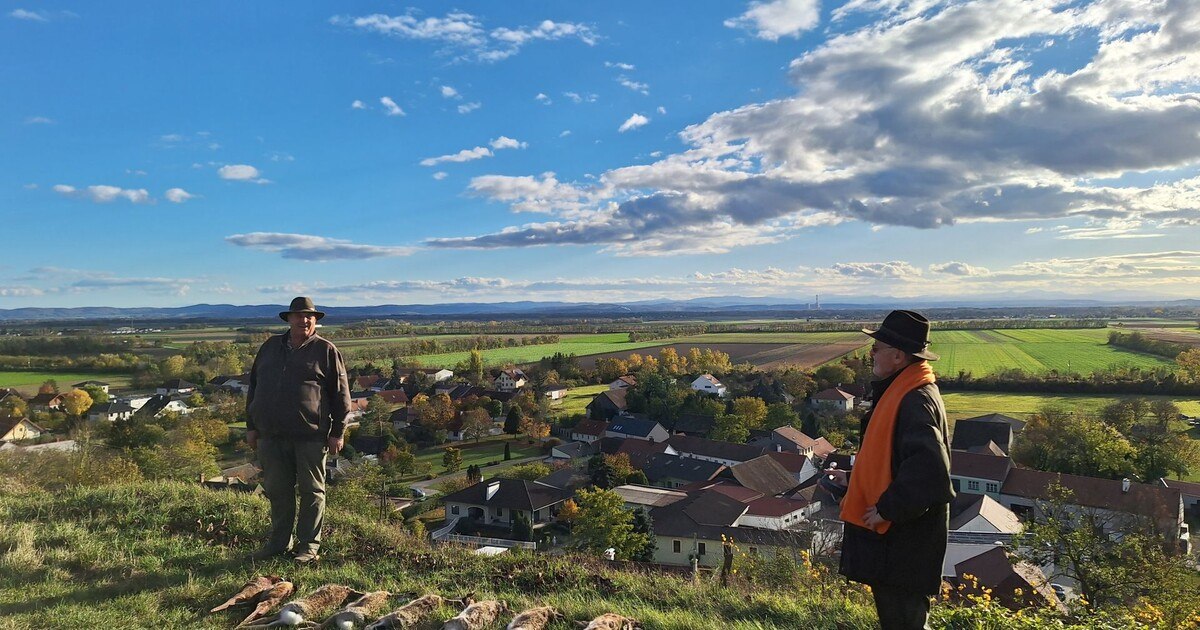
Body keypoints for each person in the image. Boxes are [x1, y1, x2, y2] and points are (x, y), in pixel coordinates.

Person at [823, 310, 953, 630]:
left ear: (897, 356)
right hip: (902, 544)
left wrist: (886, 509)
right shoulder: (907, 389)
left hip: (903, 544)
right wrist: (854, 480)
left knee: (904, 622)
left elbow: (929, 468)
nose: (871, 355)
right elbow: (897, 461)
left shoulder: (914, 399)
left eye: (876, 349)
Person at [246, 296, 351, 563]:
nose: (304, 320)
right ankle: (279, 542)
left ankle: (308, 546)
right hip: (270, 434)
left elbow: (341, 395)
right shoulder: (269, 347)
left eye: (309, 317)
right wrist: (251, 426)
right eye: (299, 316)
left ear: (315, 321)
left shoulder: (326, 351)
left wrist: (338, 431)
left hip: (310, 436)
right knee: (278, 490)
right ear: (288, 319)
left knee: (312, 491)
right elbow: (255, 387)